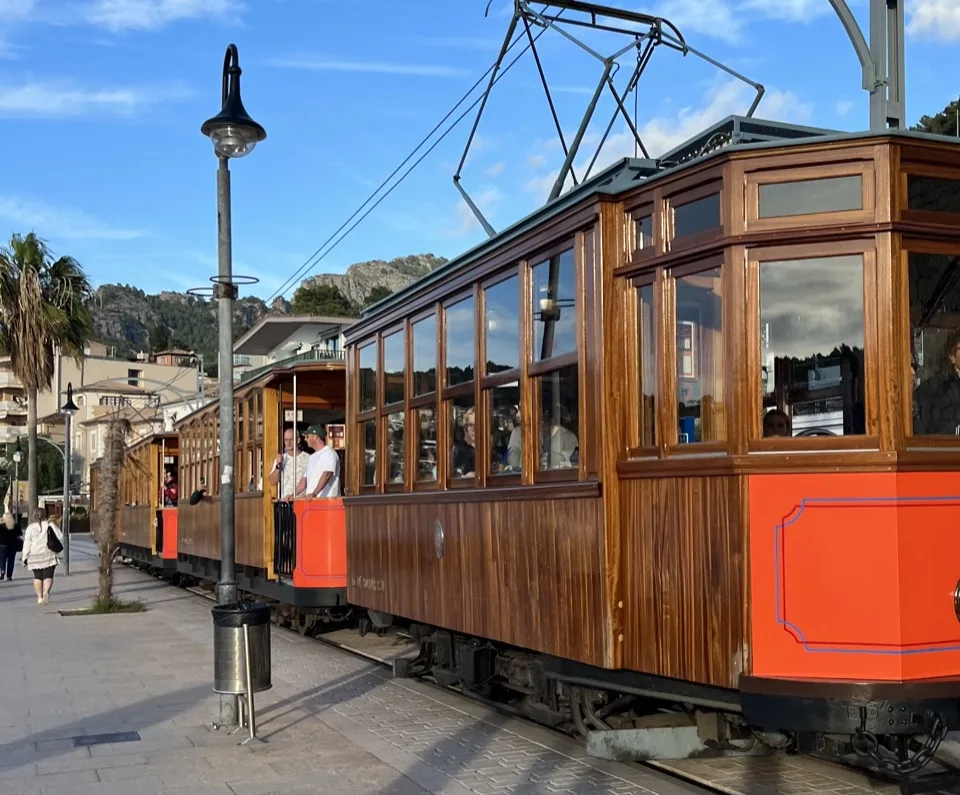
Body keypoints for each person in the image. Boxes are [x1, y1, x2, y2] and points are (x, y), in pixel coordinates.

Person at [22, 508, 63, 605]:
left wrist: (24, 557)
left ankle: (40, 598)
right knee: (48, 576)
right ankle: (46, 592)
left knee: (37, 577)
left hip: (34, 555)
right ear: (45, 515)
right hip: (49, 553)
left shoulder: (30, 528)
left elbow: (27, 543)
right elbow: (60, 536)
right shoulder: (50, 525)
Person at [296, 425, 341, 499]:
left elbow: (327, 474)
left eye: (307, 436)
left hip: (327, 501)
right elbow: (304, 480)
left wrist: (314, 493)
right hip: (312, 501)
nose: (305, 439)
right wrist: (293, 494)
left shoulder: (329, 453)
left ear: (315, 437)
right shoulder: (312, 457)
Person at [268, 427, 311, 501]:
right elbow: (272, 481)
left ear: (298, 440)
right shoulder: (281, 458)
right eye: (286, 440)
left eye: (291, 439)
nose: (288, 443)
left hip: (302, 501)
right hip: (284, 501)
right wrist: (278, 466)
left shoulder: (308, 458)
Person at [452, 407, 476, 477]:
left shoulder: (491, 452)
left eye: (476, 424)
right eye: (470, 425)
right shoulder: (460, 452)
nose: (473, 429)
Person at [0, 512, 20, 581]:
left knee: (2, 559)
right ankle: (9, 575)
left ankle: (2, 571)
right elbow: (20, 533)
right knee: (11, 560)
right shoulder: (15, 525)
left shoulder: (2, 525)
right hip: (13, 545)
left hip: (3, 545)